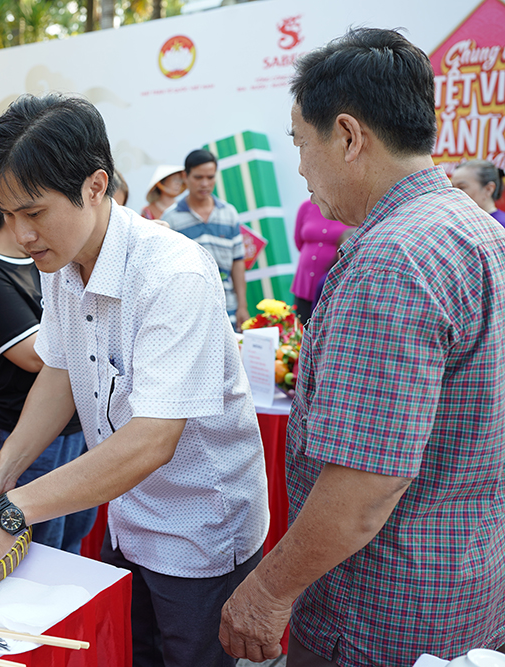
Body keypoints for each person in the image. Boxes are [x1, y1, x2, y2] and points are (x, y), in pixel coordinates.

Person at [0, 94, 269, 667]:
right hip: (130, 518)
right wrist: (3, 468)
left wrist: (11, 511)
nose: (20, 235)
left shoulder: (173, 274)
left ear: (96, 186)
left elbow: (152, 440)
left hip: (199, 533)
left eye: (34, 212)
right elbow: (60, 374)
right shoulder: (64, 266)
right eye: (6, 215)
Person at [219, 29, 505, 667]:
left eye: (300, 142)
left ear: (347, 137)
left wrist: (266, 592)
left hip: (381, 613)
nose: (298, 166)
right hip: (463, 585)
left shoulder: (392, 260)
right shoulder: (473, 228)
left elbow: (363, 488)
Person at [0, 202, 96, 553]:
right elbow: (35, 357)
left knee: (74, 533)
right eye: (30, 215)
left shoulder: (55, 260)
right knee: (40, 547)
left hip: (78, 419)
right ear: (10, 214)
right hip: (31, 423)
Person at [162, 151, 248, 328]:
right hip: (189, 311)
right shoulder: (170, 219)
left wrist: (242, 306)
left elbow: (237, 262)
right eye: (198, 177)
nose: (205, 183)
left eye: (210, 177)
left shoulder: (229, 213)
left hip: (227, 307)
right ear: (185, 176)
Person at [290, 199, 350, 324]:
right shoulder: (306, 206)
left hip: (332, 282)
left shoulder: (349, 208)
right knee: (303, 327)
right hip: (304, 283)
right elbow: (298, 241)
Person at [451, 160, 505, 228]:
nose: (455, 193)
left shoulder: (500, 225)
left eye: (461, 187)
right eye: (453, 188)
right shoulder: (457, 223)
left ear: (488, 189)